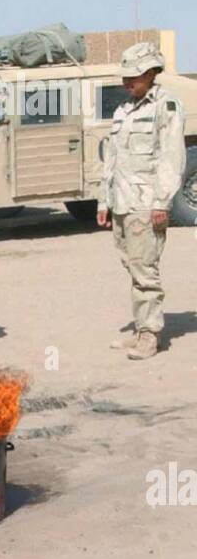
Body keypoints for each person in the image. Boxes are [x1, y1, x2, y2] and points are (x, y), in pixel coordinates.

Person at [98, 42, 187, 360]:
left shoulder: (166, 106)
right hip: (122, 203)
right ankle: (141, 329)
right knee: (133, 267)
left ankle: (149, 335)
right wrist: (103, 201)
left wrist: (161, 202)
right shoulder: (123, 110)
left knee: (145, 270)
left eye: (133, 77)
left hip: (146, 203)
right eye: (125, 77)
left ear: (151, 73)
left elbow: (171, 157)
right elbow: (112, 159)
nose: (127, 82)